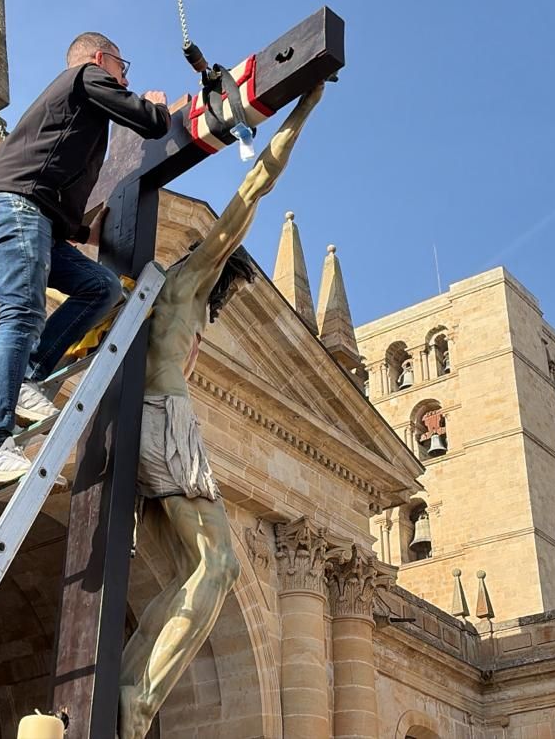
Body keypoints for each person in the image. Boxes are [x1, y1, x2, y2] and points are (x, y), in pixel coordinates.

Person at [117, 82, 326, 739]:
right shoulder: (189, 281)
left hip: (140, 418)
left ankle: (128, 685)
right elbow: (254, 189)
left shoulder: (159, 299)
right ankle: (137, 697)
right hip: (168, 423)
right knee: (218, 565)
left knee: (186, 569)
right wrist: (305, 105)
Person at [0, 32, 169, 489]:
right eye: (123, 67)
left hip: (27, 214)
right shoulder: (86, 76)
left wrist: (80, 229)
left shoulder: (75, 109)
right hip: (13, 209)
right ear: (101, 58)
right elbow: (149, 122)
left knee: (102, 287)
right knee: (21, 312)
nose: (124, 77)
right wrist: (155, 106)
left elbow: (48, 171)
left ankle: (30, 378)